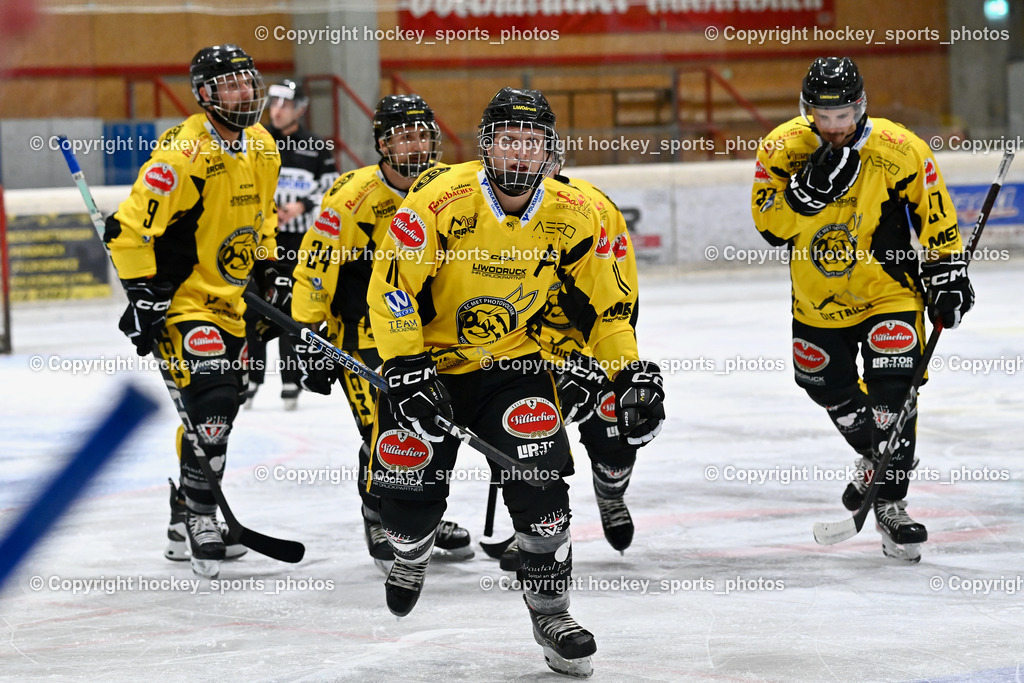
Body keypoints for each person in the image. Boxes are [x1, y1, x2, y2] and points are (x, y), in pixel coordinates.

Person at [364, 87, 665, 678]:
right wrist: (402, 366)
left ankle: (553, 612)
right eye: (508, 141)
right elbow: (394, 287)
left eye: (531, 143)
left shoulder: (576, 214)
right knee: (406, 512)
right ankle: (411, 546)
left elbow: (606, 310)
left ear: (549, 150)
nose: (520, 155)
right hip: (429, 366)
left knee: (542, 487)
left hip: (514, 365)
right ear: (486, 146)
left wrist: (629, 370)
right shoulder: (440, 199)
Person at [751, 57, 973, 563]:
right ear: (806, 110)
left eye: (844, 115)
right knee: (819, 381)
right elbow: (768, 226)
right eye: (823, 116)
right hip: (818, 298)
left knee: (895, 389)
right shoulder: (782, 149)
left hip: (887, 290)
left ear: (861, 106)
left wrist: (948, 274)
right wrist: (803, 196)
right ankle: (877, 455)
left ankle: (891, 502)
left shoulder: (901, 149)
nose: (833, 128)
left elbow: (936, 216)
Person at [104, 44, 283, 578]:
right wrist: (143, 294)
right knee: (212, 405)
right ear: (204, 95)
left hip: (235, 303)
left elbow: (264, 217)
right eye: (230, 85)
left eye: (248, 83)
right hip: (187, 302)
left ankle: (185, 510)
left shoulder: (264, 146)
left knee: (224, 413)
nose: (244, 94)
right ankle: (204, 515)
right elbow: (127, 230)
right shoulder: (182, 157)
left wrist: (269, 267)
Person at [290, 94, 472, 570]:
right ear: (382, 144)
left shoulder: (449, 190)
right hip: (362, 337)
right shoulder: (351, 197)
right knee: (382, 431)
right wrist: (307, 335)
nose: (414, 144)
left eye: (421, 134)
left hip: (424, 336)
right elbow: (314, 265)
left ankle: (417, 516)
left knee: (429, 428)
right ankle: (379, 515)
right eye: (402, 135)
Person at [500, 161, 641, 571]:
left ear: (558, 163)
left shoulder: (595, 208)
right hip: (531, 346)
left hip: (588, 343)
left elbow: (618, 298)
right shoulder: (499, 214)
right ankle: (532, 525)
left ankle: (611, 492)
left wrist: (598, 367)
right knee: (526, 434)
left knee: (613, 439)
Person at [244, 78, 337, 410]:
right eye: (273, 104)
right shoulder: (256, 141)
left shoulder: (316, 146)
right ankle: (252, 378)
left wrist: (302, 206)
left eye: (284, 104)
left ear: (299, 108)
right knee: (253, 306)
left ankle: (290, 378)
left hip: (299, 241)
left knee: (291, 310)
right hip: (263, 239)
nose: (277, 110)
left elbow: (331, 188)